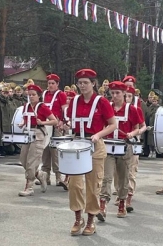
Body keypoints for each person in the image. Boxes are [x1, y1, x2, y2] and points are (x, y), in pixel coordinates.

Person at [66, 68, 116, 236]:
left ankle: (90, 220)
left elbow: (113, 124)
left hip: (95, 146)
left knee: (93, 185)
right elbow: (70, 122)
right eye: (80, 83)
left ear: (93, 84)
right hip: (77, 144)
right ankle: (77, 217)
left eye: (86, 83)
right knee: (74, 184)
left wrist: (98, 134)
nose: (82, 86)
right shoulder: (74, 101)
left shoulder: (102, 102)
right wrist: (64, 125)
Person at [97, 81, 140, 222]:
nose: (114, 96)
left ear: (123, 93)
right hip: (108, 146)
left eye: (118, 93)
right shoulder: (106, 107)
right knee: (106, 176)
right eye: (112, 93)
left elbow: (137, 127)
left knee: (123, 177)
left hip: (124, 147)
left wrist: (132, 134)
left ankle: (122, 202)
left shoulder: (131, 109)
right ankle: (102, 205)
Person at [18, 84, 58, 196]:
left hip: (38, 133)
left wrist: (43, 122)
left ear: (38, 96)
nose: (31, 97)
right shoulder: (26, 106)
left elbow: (54, 121)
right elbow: (26, 119)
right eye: (29, 94)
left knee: (32, 161)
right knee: (23, 159)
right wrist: (22, 123)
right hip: (28, 134)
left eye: (33, 95)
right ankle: (40, 174)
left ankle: (29, 187)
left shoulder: (42, 107)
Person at [36, 74, 67, 186]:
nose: (51, 85)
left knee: (55, 150)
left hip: (56, 124)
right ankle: (45, 175)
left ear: (57, 84)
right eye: (49, 83)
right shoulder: (44, 94)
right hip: (45, 124)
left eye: (53, 83)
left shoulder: (61, 95)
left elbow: (64, 109)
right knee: (45, 149)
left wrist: (63, 122)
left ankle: (58, 177)